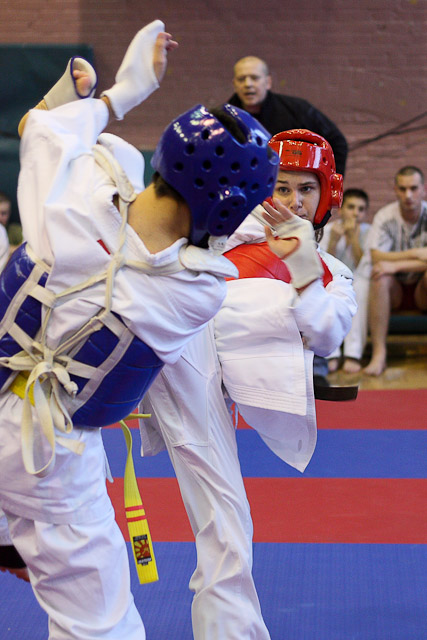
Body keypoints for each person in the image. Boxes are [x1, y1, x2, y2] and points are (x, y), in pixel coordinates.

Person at [0, 20, 279, 639]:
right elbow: (175, 256)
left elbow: (39, 129)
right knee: (100, 624)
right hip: (45, 459)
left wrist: (122, 91)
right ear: (224, 209)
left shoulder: (72, 194)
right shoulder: (190, 292)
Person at [138, 129, 356, 639]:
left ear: (328, 195)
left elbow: (328, 334)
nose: (293, 201)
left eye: (306, 189)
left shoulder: (330, 271)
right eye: (282, 187)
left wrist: (303, 267)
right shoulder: (220, 230)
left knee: (226, 525)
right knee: (224, 522)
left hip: (205, 383)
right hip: (177, 355)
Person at [228, 55, 348, 175]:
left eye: (254, 78)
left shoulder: (297, 110)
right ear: (234, 85)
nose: (248, 84)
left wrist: (330, 181)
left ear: (268, 82)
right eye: (241, 79)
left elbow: (337, 142)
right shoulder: (222, 118)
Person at [362, 166, 427, 376]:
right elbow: (376, 256)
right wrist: (417, 253)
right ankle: (379, 354)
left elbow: (386, 259)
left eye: (413, 188)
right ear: (395, 190)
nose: (408, 195)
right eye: (403, 189)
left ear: (423, 189)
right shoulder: (385, 216)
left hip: (422, 291)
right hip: (395, 290)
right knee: (379, 276)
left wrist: (396, 264)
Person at [320, 188, 371, 373]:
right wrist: (334, 241)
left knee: (361, 285)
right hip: (333, 281)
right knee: (328, 287)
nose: (356, 213)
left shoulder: (368, 232)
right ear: (341, 210)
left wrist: (353, 239)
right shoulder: (327, 230)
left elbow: (364, 268)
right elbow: (324, 269)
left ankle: (353, 353)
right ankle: (331, 353)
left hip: (359, 282)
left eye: (361, 209)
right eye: (351, 207)